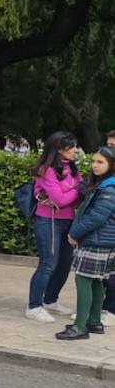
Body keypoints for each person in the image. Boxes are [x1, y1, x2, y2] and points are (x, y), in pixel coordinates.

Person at [57, 146, 115, 340]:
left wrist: (74, 233)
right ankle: (94, 321)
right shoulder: (104, 185)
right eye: (94, 161)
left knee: (83, 279)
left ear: (111, 165)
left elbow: (96, 218)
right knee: (97, 280)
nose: (95, 166)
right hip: (101, 240)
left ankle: (80, 326)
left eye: (101, 162)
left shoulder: (109, 188)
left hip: (96, 240)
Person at [26, 131, 83, 322]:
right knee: (48, 263)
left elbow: (73, 195)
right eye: (72, 146)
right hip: (48, 221)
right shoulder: (47, 169)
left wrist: (68, 192)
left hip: (69, 221)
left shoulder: (73, 169)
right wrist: (74, 190)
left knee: (65, 264)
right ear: (59, 149)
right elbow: (60, 198)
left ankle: (51, 300)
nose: (76, 150)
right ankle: (34, 306)